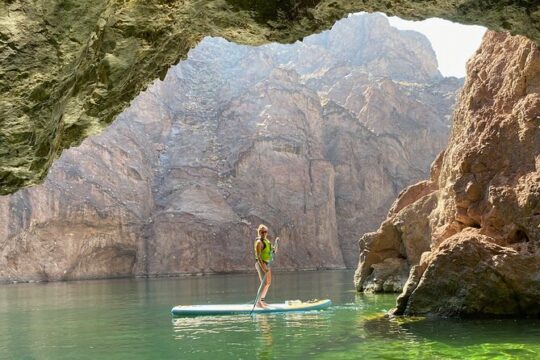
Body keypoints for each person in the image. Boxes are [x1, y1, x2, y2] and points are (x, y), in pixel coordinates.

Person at [254, 224, 279, 308]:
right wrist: (263, 267)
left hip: (267, 263)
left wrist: (276, 243)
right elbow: (258, 256)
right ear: (259, 232)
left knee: (268, 283)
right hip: (261, 263)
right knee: (264, 283)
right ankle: (258, 303)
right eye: (262, 232)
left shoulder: (267, 241)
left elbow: (274, 251)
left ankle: (262, 301)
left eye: (266, 232)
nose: (264, 233)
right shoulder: (259, 242)